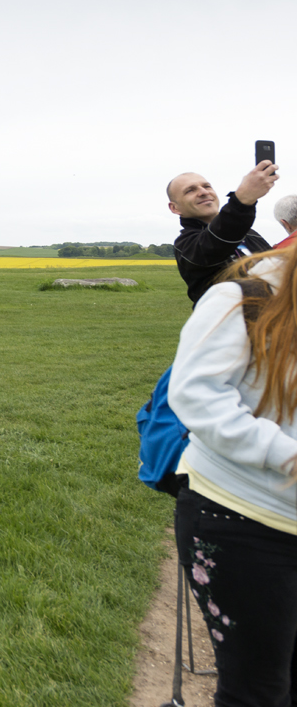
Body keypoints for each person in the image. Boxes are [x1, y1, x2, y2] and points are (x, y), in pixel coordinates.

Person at [169, 240, 297, 705]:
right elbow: (197, 394)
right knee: (258, 690)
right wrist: (285, 454)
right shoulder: (240, 298)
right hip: (242, 516)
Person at [167, 161, 280, 305]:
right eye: (190, 190)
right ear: (175, 208)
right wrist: (243, 200)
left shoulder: (250, 234)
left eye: (207, 186)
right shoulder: (186, 245)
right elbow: (217, 241)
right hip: (231, 325)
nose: (203, 192)